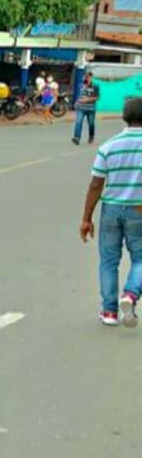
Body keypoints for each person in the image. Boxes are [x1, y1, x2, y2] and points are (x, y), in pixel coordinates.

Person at [79, 95, 142, 327]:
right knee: (141, 258)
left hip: (111, 210)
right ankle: (131, 294)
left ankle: (109, 312)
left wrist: (86, 219)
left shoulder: (109, 147)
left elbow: (96, 184)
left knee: (108, 260)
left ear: (125, 117)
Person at [72, 70, 102, 146]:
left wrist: (87, 99)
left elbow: (97, 97)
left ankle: (91, 136)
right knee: (78, 122)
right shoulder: (81, 85)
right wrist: (77, 102)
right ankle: (77, 137)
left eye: (88, 77)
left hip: (91, 108)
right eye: (85, 77)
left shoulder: (95, 86)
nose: (86, 78)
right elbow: (80, 95)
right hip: (81, 107)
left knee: (91, 124)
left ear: (91, 77)